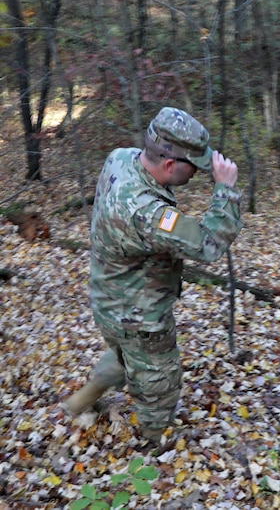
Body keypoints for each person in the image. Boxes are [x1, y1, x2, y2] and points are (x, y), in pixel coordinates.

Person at [63, 107, 243, 444]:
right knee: (158, 383)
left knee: (122, 356)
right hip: (138, 315)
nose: (200, 173)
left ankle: (78, 403)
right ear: (170, 165)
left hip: (107, 298)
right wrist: (226, 190)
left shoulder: (123, 158)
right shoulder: (145, 213)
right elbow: (208, 244)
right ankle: (153, 446)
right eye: (195, 167)